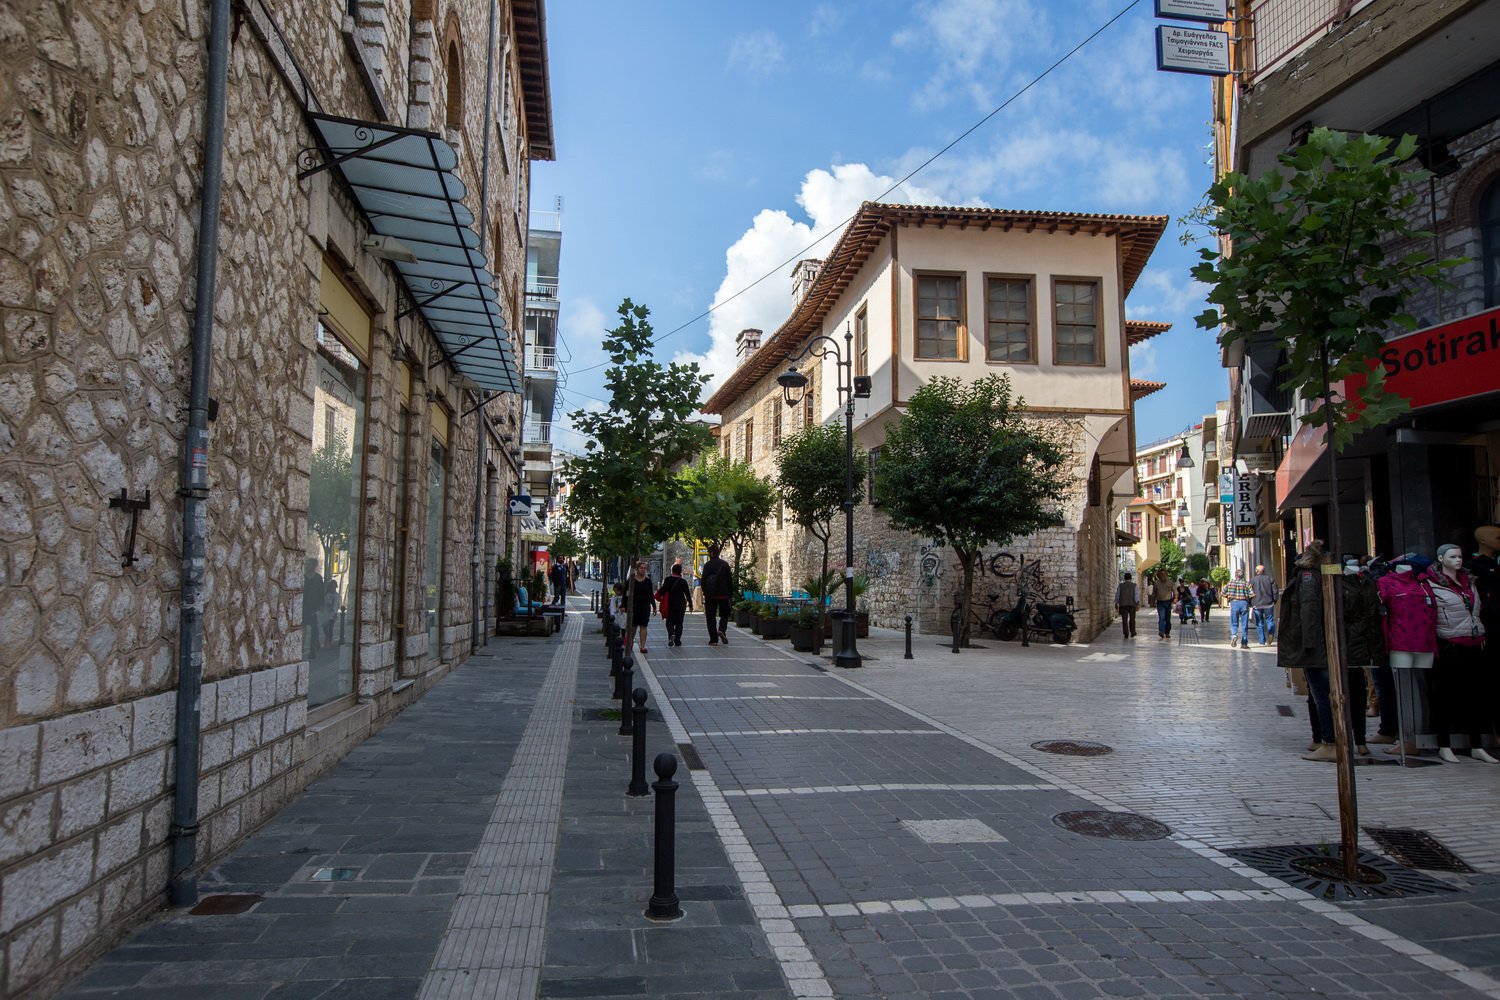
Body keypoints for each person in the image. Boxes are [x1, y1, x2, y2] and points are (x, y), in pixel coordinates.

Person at [700, 543, 733, 645]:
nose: (708, 553)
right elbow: (729, 581)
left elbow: (703, 580)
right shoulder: (725, 564)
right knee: (724, 615)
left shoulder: (708, 565)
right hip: (724, 594)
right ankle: (722, 630)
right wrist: (730, 594)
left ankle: (713, 639)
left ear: (712, 553)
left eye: (709, 552)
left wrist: (705, 592)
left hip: (711, 595)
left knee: (710, 617)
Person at [656, 563, 694, 647]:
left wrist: (658, 593)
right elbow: (687, 594)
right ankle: (677, 641)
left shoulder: (668, 579)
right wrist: (690, 605)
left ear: (672, 570)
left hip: (670, 603)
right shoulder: (683, 581)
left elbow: (663, 590)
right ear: (680, 571)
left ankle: (671, 634)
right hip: (681, 604)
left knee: (669, 621)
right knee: (679, 623)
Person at [627, 561, 656, 654]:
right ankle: (630, 643)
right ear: (637, 569)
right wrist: (624, 605)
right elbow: (625, 593)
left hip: (645, 606)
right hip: (634, 606)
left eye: (645, 568)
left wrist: (654, 606)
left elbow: (651, 594)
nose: (643, 570)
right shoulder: (631, 580)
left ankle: (643, 646)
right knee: (633, 627)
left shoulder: (648, 581)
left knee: (644, 626)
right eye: (641, 568)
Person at [1250, 563, 1278, 645]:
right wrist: (1274, 600)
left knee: (1259, 622)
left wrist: (1250, 603)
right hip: (1268, 603)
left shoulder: (1252, 580)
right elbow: (1275, 591)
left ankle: (1262, 641)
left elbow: (1249, 592)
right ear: (1264, 571)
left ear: (1256, 571)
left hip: (1257, 604)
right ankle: (1270, 633)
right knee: (1270, 620)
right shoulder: (1270, 579)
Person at [1150, 567, 1174, 639]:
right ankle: (1161, 631)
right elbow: (1154, 593)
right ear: (1159, 575)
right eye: (1161, 574)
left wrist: (1175, 598)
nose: (1163, 575)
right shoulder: (1156, 583)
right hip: (1160, 602)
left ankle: (1167, 632)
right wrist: (1152, 602)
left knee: (1167, 618)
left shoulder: (1170, 582)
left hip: (1168, 602)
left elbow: (1175, 591)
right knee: (1161, 617)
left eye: (1164, 574)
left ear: (1166, 574)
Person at [1115, 572, 1138, 639]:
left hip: (1123, 604)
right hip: (1132, 604)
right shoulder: (1134, 585)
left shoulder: (1120, 586)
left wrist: (1116, 602)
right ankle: (1133, 632)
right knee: (1132, 619)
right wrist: (1137, 603)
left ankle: (1126, 633)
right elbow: (1136, 595)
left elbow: (1118, 595)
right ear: (1131, 578)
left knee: (1124, 620)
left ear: (1124, 578)